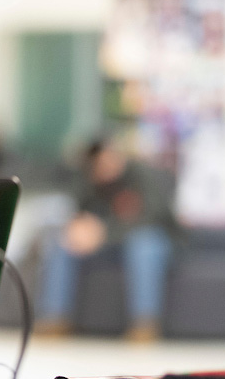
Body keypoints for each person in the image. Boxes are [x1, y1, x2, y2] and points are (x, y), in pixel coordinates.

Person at [36, 138, 177, 342]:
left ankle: (145, 323)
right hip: (108, 246)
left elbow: (152, 218)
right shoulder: (89, 182)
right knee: (62, 243)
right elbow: (78, 212)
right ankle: (54, 318)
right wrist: (79, 229)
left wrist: (104, 234)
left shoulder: (143, 175)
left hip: (151, 240)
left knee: (144, 244)